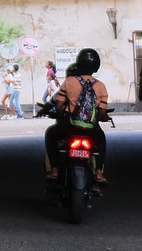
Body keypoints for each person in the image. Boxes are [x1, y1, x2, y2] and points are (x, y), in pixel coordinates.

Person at [44, 48, 109, 183]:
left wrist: (61, 115)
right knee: (101, 140)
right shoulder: (101, 86)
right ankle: (98, 172)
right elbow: (102, 114)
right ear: (96, 66)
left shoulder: (69, 81)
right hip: (91, 129)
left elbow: (59, 106)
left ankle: (55, 169)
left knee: (50, 134)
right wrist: (104, 118)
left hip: (69, 125)